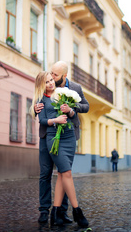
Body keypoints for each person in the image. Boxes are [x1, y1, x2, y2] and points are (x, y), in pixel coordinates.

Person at [31, 71, 89, 227]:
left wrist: (69, 110)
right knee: (50, 173)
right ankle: (52, 210)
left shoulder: (64, 92)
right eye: (47, 81)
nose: (51, 82)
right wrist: (53, 119)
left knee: (63, 174)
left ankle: (58, 212)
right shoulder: (40, 99)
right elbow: (40, 118)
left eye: (52, 79)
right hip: (50, 137)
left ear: (63, 74)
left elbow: (80, 109)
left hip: (68, 136)